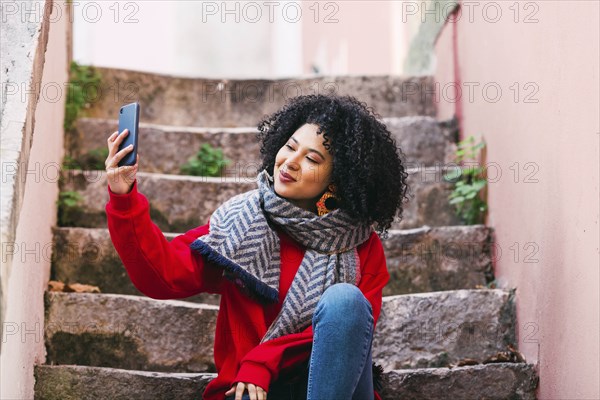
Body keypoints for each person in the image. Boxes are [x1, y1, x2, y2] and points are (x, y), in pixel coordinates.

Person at [105, 94, 409, 400]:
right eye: (290, 147)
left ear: (338, 181)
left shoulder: (360, 246)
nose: (290, 161)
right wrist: (124, 197)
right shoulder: (241, 223)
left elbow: (349, 330)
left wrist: (264, 360)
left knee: (346, 301)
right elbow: (163, 275)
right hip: (252, 391)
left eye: (312, 159)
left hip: (332, 388)